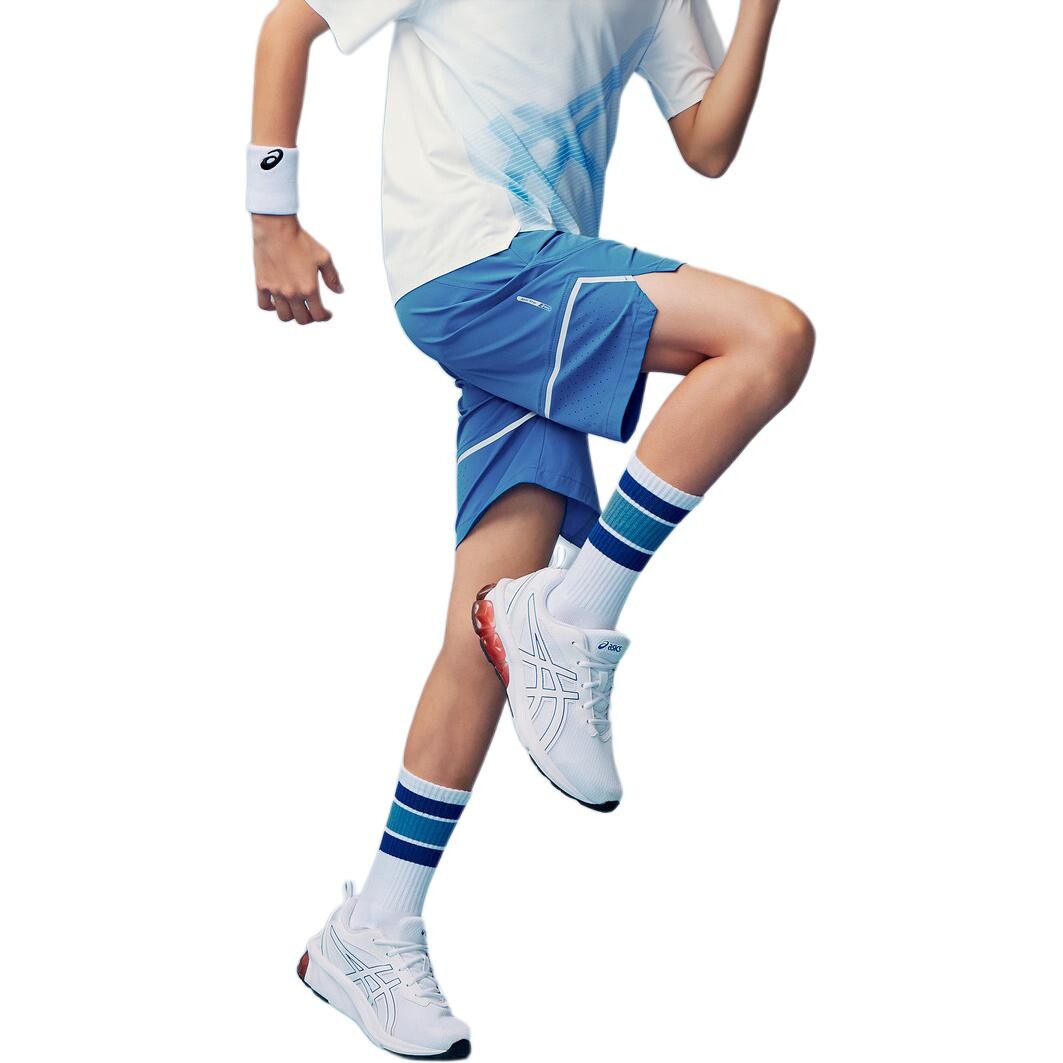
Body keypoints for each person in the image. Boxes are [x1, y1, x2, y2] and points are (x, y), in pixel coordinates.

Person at [248, 0, 813, 1056]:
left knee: (480, 631)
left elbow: (707, 144)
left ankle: (372, 927)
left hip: (539, 296)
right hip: (477, 265)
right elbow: (290, 24)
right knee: (768, 338)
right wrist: (271, 219)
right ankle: (574, 610)